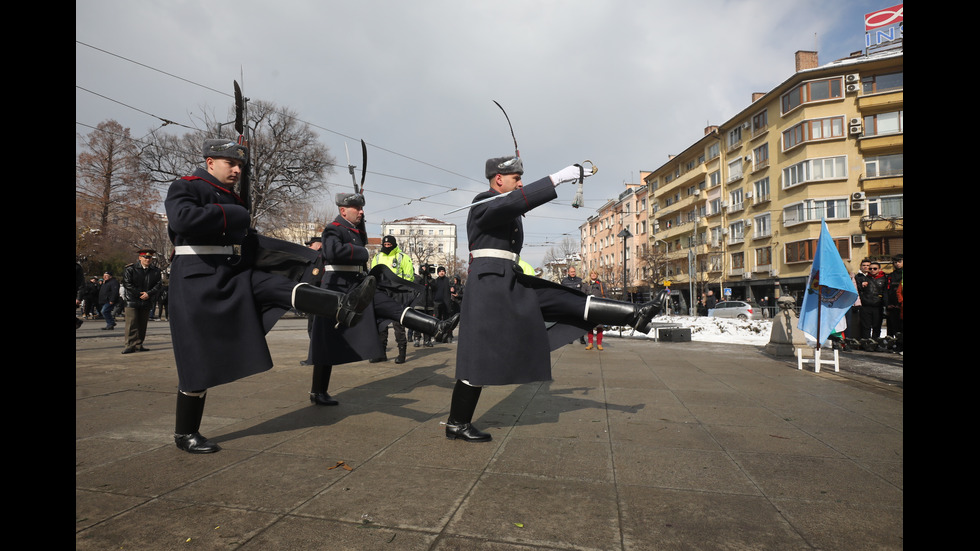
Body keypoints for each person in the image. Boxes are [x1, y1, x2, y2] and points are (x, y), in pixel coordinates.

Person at [165, 138, 378, 454]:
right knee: (198, 360)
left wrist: (298, 257)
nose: (237, 169)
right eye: (230, 163)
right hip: (197, 276)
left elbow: (250, 241)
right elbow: (183, 220)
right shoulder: (186, 186)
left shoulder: (230, 196)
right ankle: (186, 434)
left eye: (240, 165)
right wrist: (235, 214)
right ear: (210, 162)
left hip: (230, 271)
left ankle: (340, 307)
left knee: (276, 286)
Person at [444, 155, 667, 442]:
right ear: (499, 179)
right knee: (477, 356)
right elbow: (511, 204)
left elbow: (513, 207)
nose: (520, 183)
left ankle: (634, 313)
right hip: (488, 287)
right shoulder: (484, 200)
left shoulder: (503, 204)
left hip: (507, 279)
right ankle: (457, 423)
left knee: (563, 297)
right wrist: (556, 179)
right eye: (515, 178)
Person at [308, 193, 459, 406]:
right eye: (357, 208)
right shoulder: (334, 228)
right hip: (337, 288)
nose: (361, 211)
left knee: (394, 308)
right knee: (326, 341)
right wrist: (361, 252)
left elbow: (358, 240)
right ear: (343, 210)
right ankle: (318, 391)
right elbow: (332, 252)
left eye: (362, 207)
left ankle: (438, 327)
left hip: (359, 284)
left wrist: (361, 230)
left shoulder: (353, 230)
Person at [369, 235, 415, 364]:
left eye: (389, 245)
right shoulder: (377, 257)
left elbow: (409, 276)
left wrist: (402, 289)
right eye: (385, 245)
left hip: (397, 293)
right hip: (382, 292)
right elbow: (373, 274)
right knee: (381, 324)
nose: (387, 247)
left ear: (394, 245)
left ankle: (402, 353)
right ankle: (381, 353)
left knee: (398, 324)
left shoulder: (403, 257)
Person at [121, 249, 163, 354]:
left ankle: (139, 344)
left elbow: (158, 285)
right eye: (145, 257)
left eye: (149, 258)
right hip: (132, 300)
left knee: (142, 324)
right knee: (132, 323)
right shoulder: (130, 269)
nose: (147, 259)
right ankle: (130, 345)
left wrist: (149, 293)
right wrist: (139, 294)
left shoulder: (156, 271)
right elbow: (127, 283)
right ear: (140, 258)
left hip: (147, 300)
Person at [855, 260, 886, 340]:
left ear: (879, 269)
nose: (872, 270)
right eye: (870, 268)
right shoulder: (863, 278)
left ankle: (876, 341)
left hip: (878, 306)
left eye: (875, 268)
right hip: (866, 305)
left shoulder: (884, 278)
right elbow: (858, 291)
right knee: (866, 326)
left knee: (877, 326)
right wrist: (862, 286)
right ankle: (866, 342)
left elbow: (886, 292)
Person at [560, 267, 586, 344]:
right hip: (568, 303)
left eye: (574, 271)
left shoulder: (580, 280)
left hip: (578, 303)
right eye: (571, 272)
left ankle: (582, 338)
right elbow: (562, 292)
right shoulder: (564, 281)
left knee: (580, 321)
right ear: (568, 272)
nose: (573, 273)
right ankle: (570, 338)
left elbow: (583, 291)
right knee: (570, 321)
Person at [583, 270, 606, 350]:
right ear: (589, 275)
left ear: (597, 275)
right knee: (590, 326)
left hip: (599, 308)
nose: (593, 275)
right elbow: (582, 296)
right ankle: (590, 343)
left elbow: (606, 295)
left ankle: (599, 344)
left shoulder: (601, 284)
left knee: (599, 327)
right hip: (589, 308)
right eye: (591, 273)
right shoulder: (586, 285)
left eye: (595, 273)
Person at [885, 254, 903, 337]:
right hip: (892, 306)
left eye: (899, 262)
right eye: (895, 262)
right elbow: (886, 290)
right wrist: (887, 304)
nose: (897, 264)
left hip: (901, 305)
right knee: (892, 327)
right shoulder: (890, 275)